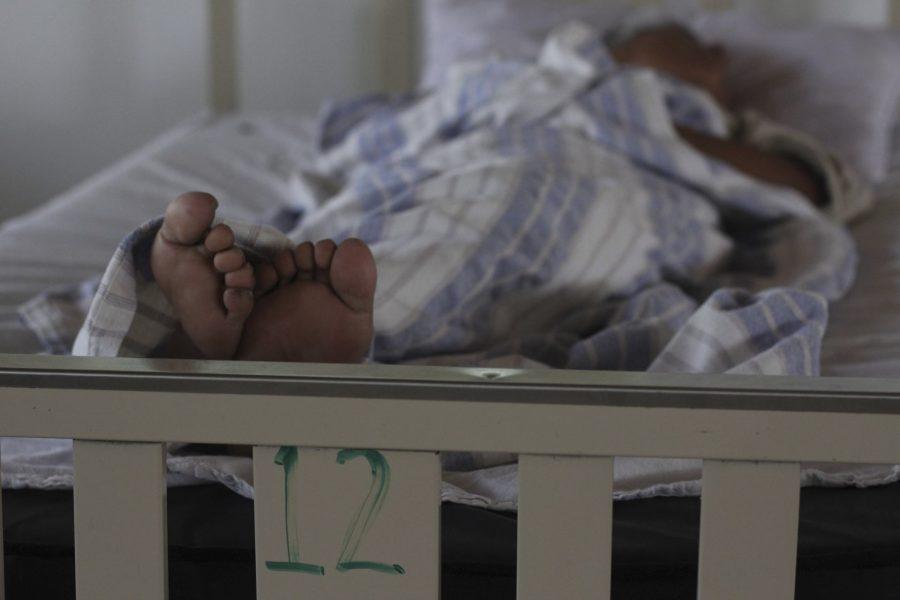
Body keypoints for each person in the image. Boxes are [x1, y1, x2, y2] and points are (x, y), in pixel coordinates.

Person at [148, 23, 869, 365]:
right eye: (675, 36)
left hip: (622, 188)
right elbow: (383, 141)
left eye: (706, 52)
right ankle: (284, 320)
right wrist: (575, 79)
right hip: (471, 155)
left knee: (508, 224)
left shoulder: (717, 124)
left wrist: (639, 112)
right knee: (387, 214)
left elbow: (810, 190)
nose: (706, 50)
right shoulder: (522, 78)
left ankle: (275, 336)